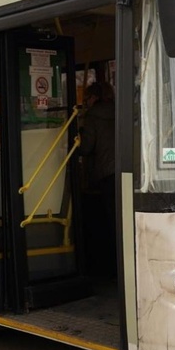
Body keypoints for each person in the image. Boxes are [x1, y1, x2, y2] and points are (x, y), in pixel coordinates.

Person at [78, 81, 116, 280]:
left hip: (106, 173)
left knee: (109, 222)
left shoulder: (92, 116)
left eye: (87, 98)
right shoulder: (121, 110)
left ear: (94, 97)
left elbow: (86, 147)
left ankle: (110, 270)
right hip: (125, 172)